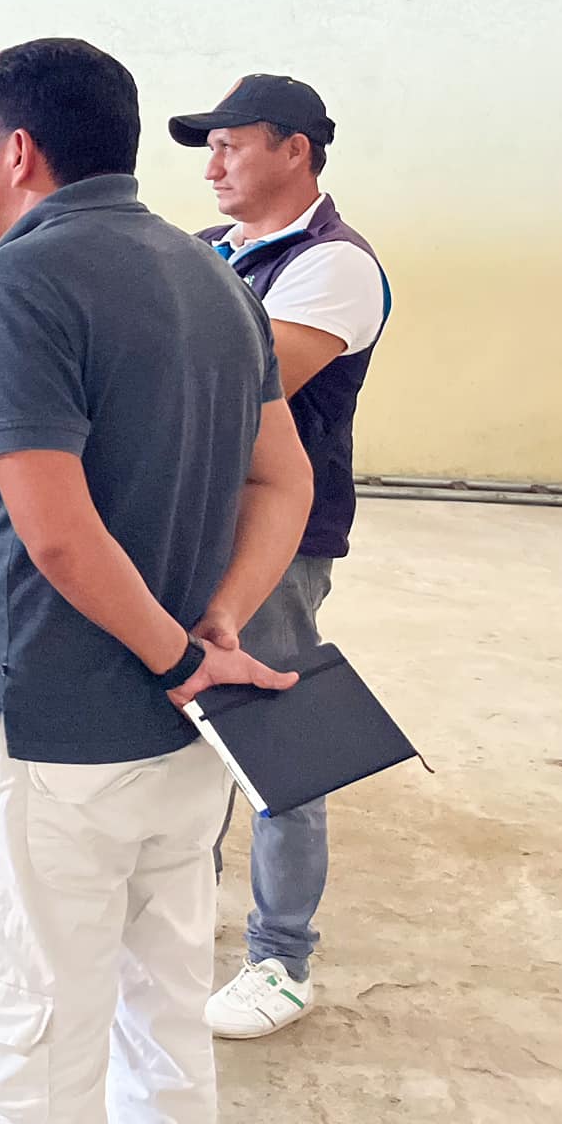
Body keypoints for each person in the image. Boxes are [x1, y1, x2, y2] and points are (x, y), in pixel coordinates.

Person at [0, 37, 316, 1124]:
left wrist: (178, 651)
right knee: (163, 1025)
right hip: (185, 742)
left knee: (28, 1042)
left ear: (17, 150)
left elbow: (54, 535)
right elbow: (281, 479)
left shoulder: (24, 275)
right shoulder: (212, 275)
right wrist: (217, 628)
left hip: (51, 736)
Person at [170, 75, 389, 1039]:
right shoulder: (212, 250)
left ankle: (282, 957)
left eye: (230, 145)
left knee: (273, 736)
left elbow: (237, 391)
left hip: (277, 539)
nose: (212, 167)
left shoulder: (333, 264)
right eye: (208, 149)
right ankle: (188, 915)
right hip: (189, 527)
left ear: (296, 149)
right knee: (194, 729)